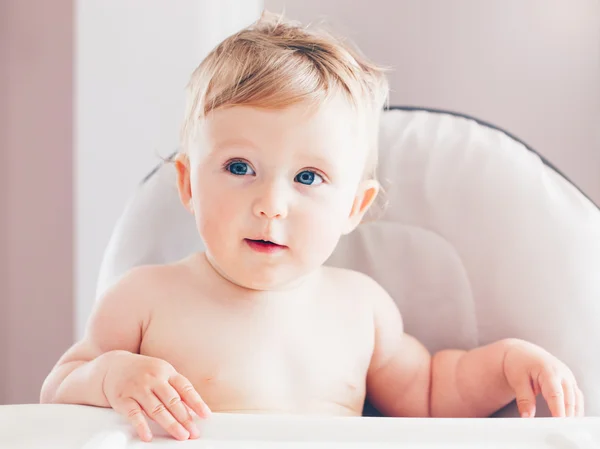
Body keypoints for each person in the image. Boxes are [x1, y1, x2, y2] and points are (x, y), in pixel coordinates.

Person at [40, 11, 583, 443]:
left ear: (354, 207)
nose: (271, 205)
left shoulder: (361, 309)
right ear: (186, 184)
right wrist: (111, 376)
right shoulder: (144, 297)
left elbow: (432, 390)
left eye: (307, 177)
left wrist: (507, 363)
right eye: (239, 168)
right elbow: (58, 391)